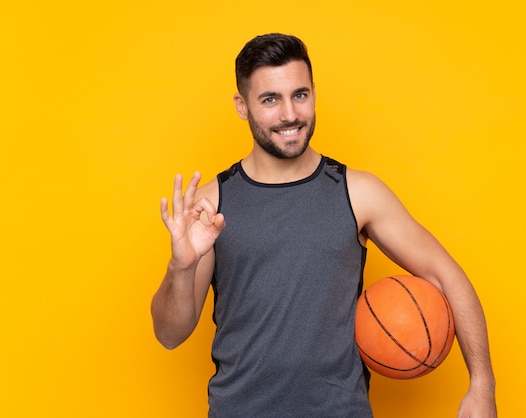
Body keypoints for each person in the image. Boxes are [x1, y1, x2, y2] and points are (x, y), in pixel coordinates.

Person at [151, 33, 497, 417]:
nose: (289, 115)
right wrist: (180, 268)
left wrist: (481, 384)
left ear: (314, 92)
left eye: (300, 95)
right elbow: (169, 334)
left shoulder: (358, 192)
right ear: (242, 105)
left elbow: (448, 276)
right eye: (270, 99)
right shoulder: (211, 205)